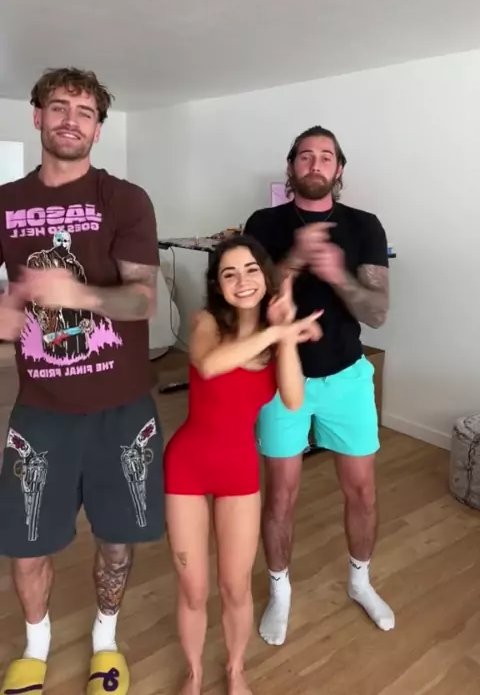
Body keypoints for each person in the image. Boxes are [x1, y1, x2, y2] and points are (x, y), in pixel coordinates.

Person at [0, 68, 164, 695]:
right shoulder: (6, 202)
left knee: (117, 539)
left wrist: (76, 294)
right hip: (40, 406)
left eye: (85, 111)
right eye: (59, 106)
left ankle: (105, 640)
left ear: (98, 128)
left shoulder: (125, 199)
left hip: (122, 407)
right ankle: (35, 647)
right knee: (25, 542)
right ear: (37, 116)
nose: (71, 119)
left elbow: (142, 300)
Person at [244, 125, 393, 647]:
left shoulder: (364, 225)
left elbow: (377, 312)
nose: (315, 164)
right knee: (280, 496)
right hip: (280, 377)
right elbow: (247, 297)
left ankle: (360, 581)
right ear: (291, 167)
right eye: (305, 156)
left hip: (347, 377)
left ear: (339, 169)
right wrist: (293, 260)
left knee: (363, 491)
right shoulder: (264, 223)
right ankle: (279, 590)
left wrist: (336, 274)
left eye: (326, 156)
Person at [163, 234, 323, 695]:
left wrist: (284, 335)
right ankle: (193, 674)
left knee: (235, 587)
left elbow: (293, 399)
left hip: (238, 469)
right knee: (194, 589)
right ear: (218, 284)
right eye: (229, 273)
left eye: (251, 269)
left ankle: (235, 669)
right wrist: (276, 333)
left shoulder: (277, 339)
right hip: (187, 467)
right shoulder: (206, 322)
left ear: (265, 275)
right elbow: (210, 365)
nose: (242, 280)